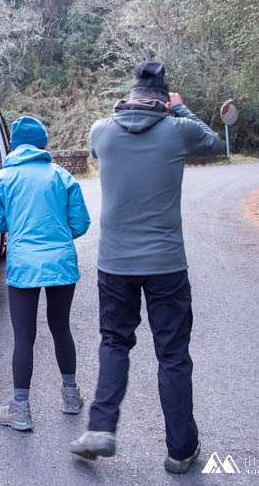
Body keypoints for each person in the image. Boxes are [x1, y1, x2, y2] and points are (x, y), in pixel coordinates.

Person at [69, 61, 222, 474]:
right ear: (163, 99)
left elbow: (99, 153)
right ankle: (180, 449)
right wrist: (181, 108)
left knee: (115, 343)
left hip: (115, 263)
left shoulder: (101, 130)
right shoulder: (178, 129)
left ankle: (101, 428)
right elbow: (215, 144)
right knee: (172, 354)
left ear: (131, 94)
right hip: (166, 264)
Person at [0, 116, 90, 431]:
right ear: (43, 143)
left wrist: (15, 221)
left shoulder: (3, 179)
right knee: (61, 328)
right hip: (61, 263)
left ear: (14, 145)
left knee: (24, 336)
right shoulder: (62, 176)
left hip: (24, 264)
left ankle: (20, 408)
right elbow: (80, 224)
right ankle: (71, 396)